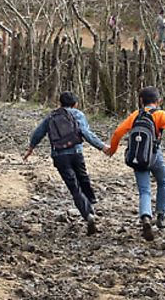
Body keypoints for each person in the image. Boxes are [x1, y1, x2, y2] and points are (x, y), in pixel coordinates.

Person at [105, 86, 165, 241]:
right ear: (158, 101)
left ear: (140, 101)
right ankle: (160, 217)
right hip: (154, 155)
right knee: (163, 183)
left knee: (144, 190)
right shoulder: (160, 115)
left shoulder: (135, 115)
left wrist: (113, 149)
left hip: (137, 157)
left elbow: (118, 132)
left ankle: (146, 216)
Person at [23, 91, 108, 235]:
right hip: (76, 153)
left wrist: (31, 148)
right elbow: (86, 133)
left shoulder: (51, 116)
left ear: (59, 103)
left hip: (59, 156)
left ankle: (88, 214)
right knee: (83, 178)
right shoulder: (77, 114)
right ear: (75, 104)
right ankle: (91, 204)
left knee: (74, 187)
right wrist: (102, 146)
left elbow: (38, 133)